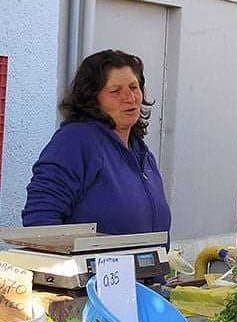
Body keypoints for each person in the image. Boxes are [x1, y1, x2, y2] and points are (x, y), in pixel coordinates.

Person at [22, 50, 171, 245]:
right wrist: (75, 271)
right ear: (92, 98)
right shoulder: (76, 141)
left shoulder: (141, 152)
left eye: (134, 87)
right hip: (95, 274)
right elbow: (40, 220)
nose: (130, 98)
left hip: (142, 274)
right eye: (115, 91)